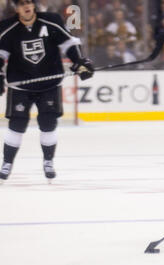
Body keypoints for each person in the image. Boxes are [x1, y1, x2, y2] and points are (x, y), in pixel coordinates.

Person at [0, 0, 94, 182]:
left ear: (33, 5)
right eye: (21, 4)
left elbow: (69, 43)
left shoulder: (51, 21)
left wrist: (79, 61)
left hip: (49, 83)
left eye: (28, 2)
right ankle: (7, 163)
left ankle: (48, 161)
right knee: (17, 125)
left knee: (48, 123)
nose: (26, 6)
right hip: (20, 85)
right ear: (16, 8)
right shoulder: (7, 28)